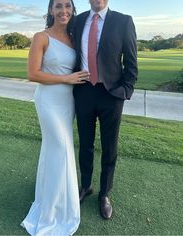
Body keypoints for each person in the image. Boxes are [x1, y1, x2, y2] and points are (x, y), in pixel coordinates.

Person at [20, 0, 90, 235]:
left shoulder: (73, 36)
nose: (64, 11)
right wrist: (66, 79)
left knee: (55, 149)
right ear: (50, 10)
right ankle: (53, 210)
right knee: (61, 148)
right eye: (58, 6)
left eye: (67, 6)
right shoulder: (41, 37)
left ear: (72, 10)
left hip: (68, 102)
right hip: (49, 101)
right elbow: (32, 74)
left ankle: (52, 195)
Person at [73, 0, 138, 219]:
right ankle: (86, 186)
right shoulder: (78, 20)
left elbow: (131, 62)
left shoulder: (123, 21)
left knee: (110, 147)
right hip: (84, 92)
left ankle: (104, 194)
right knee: (85, 144)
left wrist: (125, 91)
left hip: (111, 95)